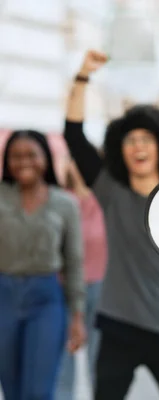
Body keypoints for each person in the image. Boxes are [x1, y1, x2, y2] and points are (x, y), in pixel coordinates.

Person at [63, 50, 159, 400]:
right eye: (130, 140)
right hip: (118, 323)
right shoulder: (109, 190)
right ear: (120, 149)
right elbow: (73, 135)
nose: (138, 147)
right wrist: (83, 76)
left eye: (145, 139)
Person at [0, 130, 86, 399]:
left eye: (31, 155)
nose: (24, 161)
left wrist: (77, 316)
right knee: (11, 389)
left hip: (46, 300)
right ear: (7, 161)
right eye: (16, 156)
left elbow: (73, 262)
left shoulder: (65, 204)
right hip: (4, 297)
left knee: (38, 391)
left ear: (45, 159)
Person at [56, 159, 108, 399]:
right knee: (64, 355)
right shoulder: (59, 200)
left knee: (98, 357)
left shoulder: (102, 199)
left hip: (98, 284)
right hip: (64, 286)